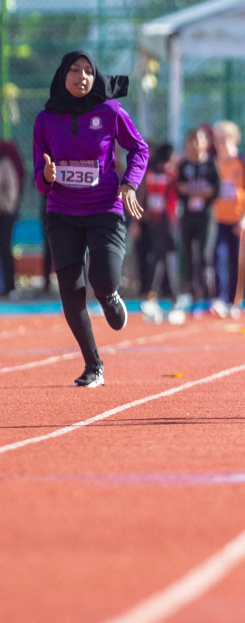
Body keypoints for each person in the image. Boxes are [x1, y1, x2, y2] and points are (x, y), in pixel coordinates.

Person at [32, 52, 148, 387]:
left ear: (95, 77)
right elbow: (39, 179)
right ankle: (92, 364)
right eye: (74, 70)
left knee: (102, 278)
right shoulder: (44, 120)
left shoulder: (110, 112)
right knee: (70, 291)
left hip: (104, 209)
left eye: (88, 71)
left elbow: (139, 149)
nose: (81, 77)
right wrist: (49, 175)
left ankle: (110, 296)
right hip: (62, 212)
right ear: (62, 75)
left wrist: (129, 184)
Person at [210, 120, 245, 317]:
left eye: (224, 138)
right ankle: (219, 299)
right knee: (217, 258)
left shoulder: (243, 161)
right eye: (217, 139)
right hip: (217, 219)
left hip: (238, 219)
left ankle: (234, 302)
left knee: (236, 260)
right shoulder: (212, 162)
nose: (220, 143)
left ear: (233, 139)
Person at [175, 126, 220, 312]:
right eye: (192, 140)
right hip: (188, 216)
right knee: (188, 254)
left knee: (205, 255)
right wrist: (200, 191)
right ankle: (191, 294)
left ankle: (210, 296)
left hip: (206, 217)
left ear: (206, 143)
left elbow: (214, 190)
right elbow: (180, 189)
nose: (195, 144)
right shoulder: (183, 165)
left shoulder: (211, 165)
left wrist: (195, 191)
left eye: (199, 139)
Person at [135, 143, 181, 323]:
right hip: (165, 222)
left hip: (158, 221)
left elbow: (143, 196)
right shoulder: (169, 175)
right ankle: (158, 295)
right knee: (162, 258)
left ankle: (163, 296)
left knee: (162, 258)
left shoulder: (153, 174)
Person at [0, 139, 22, 297]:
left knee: (4, 247)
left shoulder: (5, 162)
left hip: (6, 213)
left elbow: (12, 189)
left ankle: (10, 286)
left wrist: (6, 206)